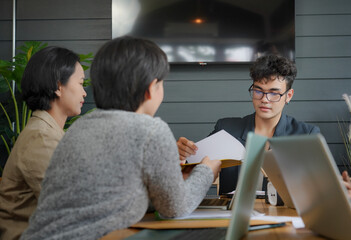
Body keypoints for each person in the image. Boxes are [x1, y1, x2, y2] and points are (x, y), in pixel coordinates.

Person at [20, 36, 221, 240]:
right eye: (162, 83)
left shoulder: (79, 127)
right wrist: (206, 172)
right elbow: (175, 208)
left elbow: (112, 200)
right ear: (151, 89)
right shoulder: (151, 129)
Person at [177, 54, 320, 194]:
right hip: (229, 214)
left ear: (288, 96)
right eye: (258, 91)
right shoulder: (226, 129)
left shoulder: (306, 135)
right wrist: (182, 157)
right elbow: (192, 170)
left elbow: (316, 186)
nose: (264, 99)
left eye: (273, 93)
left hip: (283, 213)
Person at [0, 46, 87, 240]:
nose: (84, 93)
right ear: (58, 86)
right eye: (81, 83)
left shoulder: (50, 133)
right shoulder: (41, 139)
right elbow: (74, 207)